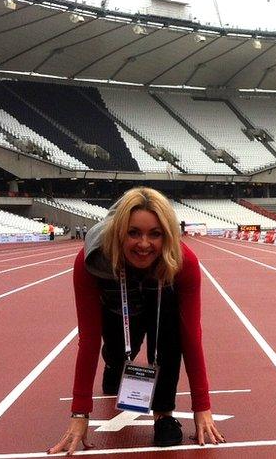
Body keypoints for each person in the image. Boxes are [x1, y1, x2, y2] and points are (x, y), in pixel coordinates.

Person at [49, 188, 224, 454]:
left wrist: (202, 406)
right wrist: (80, 414)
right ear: (119, 232)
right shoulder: (91, 260)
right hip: (116, 301)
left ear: (166, 235)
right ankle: (115, 364)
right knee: (117, 353)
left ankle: (164, 414)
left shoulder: (183, 261)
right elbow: (88, 338)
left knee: (171, 331)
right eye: (133, 233)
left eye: (155, 234)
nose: (144, 244)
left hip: (159, 293)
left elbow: (191, 334)